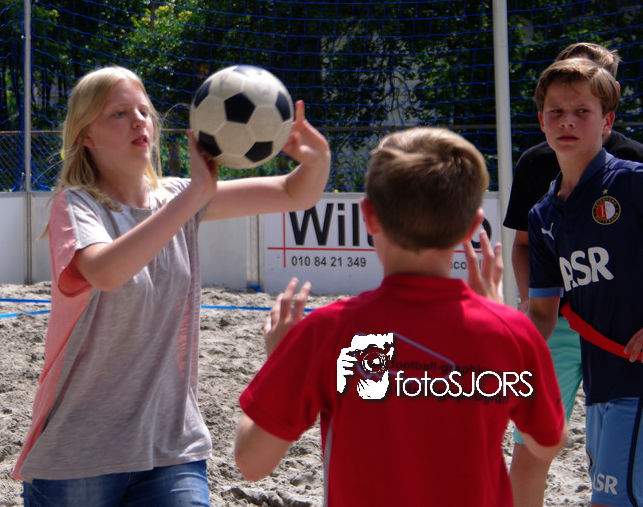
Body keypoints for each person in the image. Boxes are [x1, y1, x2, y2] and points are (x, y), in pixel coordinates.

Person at [12, 65, 331, 506]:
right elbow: (107, 272)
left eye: (144, 111)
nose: (138, 120)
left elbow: (295, 194)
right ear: (85, 136)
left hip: (172, 445)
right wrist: (195, 195)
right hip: (79, 453)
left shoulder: (178, 196)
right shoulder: (76, 205)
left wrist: (317, 160)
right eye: (119, 113)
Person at [234, 127, 567, 507]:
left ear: (368, 216)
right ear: (473, 227)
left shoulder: (331, 332)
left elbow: (251, 461)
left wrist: (280, 359)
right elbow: (548, 443)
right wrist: (498, 320)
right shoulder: (510, 333)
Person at [504, 43, 643, 507]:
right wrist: (501, 347)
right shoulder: (544, 214)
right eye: (557, 111)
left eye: (582, 110)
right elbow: (543, 314)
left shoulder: (633, 180)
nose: (567, 120)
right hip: (602, 380)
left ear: (607, 119)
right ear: (541, 120)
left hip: (635, 378)